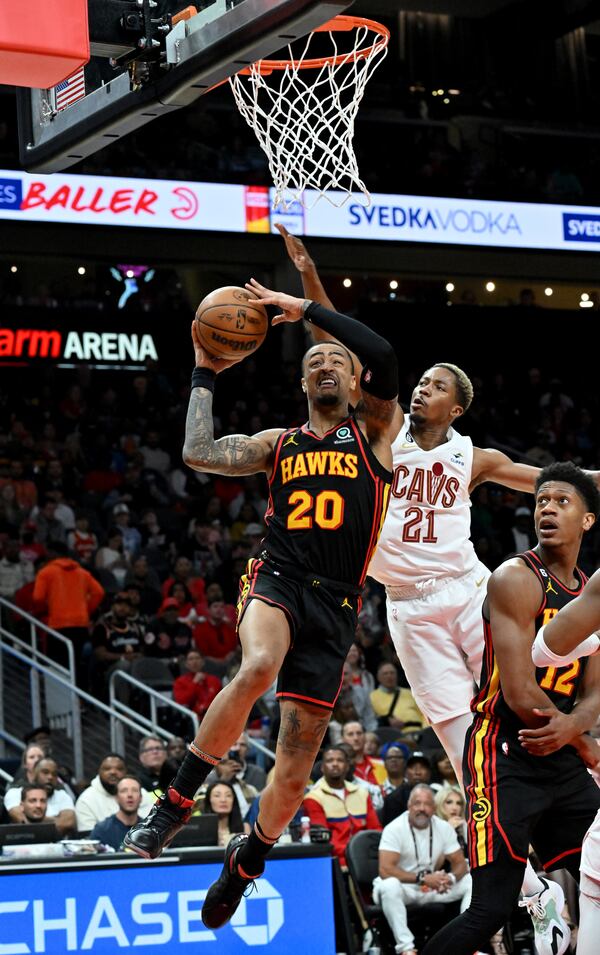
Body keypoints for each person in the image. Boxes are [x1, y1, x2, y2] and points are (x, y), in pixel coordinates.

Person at [277, 224, 573, 943]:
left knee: (527, 709)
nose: (423, 390)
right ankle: (532, 889)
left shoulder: (477, 456)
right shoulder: (383, 432)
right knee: (459, 742)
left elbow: (560, 481)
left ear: (457, 406)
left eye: (438, 385)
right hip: (407, 610)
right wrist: (311, 285)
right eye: (422, 382)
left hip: (470, 593)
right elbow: (350, 351)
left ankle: (573, 823)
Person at [124, 277, 398, 934]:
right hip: (278, 576)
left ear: (356, 385)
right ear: (303, 386)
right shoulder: (280, 443)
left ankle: (246, 861)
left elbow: (383, 352)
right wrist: (203, 371)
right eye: (313, 361)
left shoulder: (377, 435)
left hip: (336, 607)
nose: (325, 364)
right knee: (256, 666)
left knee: (295, 766)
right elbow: (198, 452)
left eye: (335, 359)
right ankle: (174, 801)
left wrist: (306, 311)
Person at [421, 462, 600, 955]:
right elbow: (520, 693)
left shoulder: (590, 591)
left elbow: (595, 692)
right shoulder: (515, 578)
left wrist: (575, 730)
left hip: (558, 749)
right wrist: (585, 743)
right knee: (490, 911)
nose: (547, 507)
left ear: (588, 520)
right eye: (542, 500)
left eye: (562, 501)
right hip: (503, 752)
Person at [525, 565, 600, 955]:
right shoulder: (521, 580)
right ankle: (537, 894)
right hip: (524, 745)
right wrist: (591, 640)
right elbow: (541, 651)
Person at [373, 783, 471, 955]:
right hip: (405, 889)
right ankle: (406, 948)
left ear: (434, 808)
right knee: (389, 885)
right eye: (417, 803)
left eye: (427, 804)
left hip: (432, 888)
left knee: (471, 880)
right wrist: (423, 878)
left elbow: (460, 863)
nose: (422, 808)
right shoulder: (394, 828)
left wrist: (450, 879)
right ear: (409, 806)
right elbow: (385, 870)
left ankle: (469, 943)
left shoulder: (443, 827)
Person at [303, 745, 381, 866]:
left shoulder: (362, 793)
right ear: (322, 768)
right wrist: (354, 853)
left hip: (366, 859)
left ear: (347, 766)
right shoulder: (313, 798)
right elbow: (323, 840)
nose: (335, 764)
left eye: (340, 760)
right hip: (336, 861)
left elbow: (375, 830)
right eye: (329, 761)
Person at [75, 753, 153, 831]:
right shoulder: (86, 799)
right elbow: (88, 839)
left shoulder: (141, 794)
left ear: (126, 771)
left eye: (119, 769)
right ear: (99, 771)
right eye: (107, 768)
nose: (113, 772)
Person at [5, 757, 76, 836]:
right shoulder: (15, 793)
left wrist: (34, 819)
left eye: (54, 774)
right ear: (33, 774)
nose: (50, 777)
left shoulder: (63, 795)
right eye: (45, 772)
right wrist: (55, 819)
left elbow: (68, 823)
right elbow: (21, 819)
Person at [90, 776, 144, 851]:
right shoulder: (101, 830)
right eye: (124, 791)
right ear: (116, 798)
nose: (130, 795)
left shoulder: (150, 830)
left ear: (141, 798)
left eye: (134, 790)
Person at [369, 661, 425, 731]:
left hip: (420, 732)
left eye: (392, 673)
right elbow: (370, 720)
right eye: (385, 674)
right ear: (378, 677)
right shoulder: (372, 697)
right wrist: (386, 722)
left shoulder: (409, 693)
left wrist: (425, 729)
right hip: (394, 735)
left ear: (396, 675)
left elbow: (424, 714)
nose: (389, 676)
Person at [173, 648, 223, 722]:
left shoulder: (214, 680)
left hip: (215, 716)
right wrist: (194, 683)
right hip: (192, 719)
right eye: (191, 659)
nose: (195, 662)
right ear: (186, 664)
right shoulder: (180, 682)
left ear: (203, 662)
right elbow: (182, 702)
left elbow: (221, 700)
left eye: (197, 658)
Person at [202, 780, 249, 847]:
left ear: (234, 800)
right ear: (209, 800)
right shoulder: (200, 829)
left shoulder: (245, 828)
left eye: (228, 795)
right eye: (217, 795)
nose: (223, 800)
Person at [435, 786, 467, 855]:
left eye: (459, 803)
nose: (454, 808)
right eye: (449, 802)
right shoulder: (432, 825)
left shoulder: (463, 827)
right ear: (439, 803)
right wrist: (448, 828)